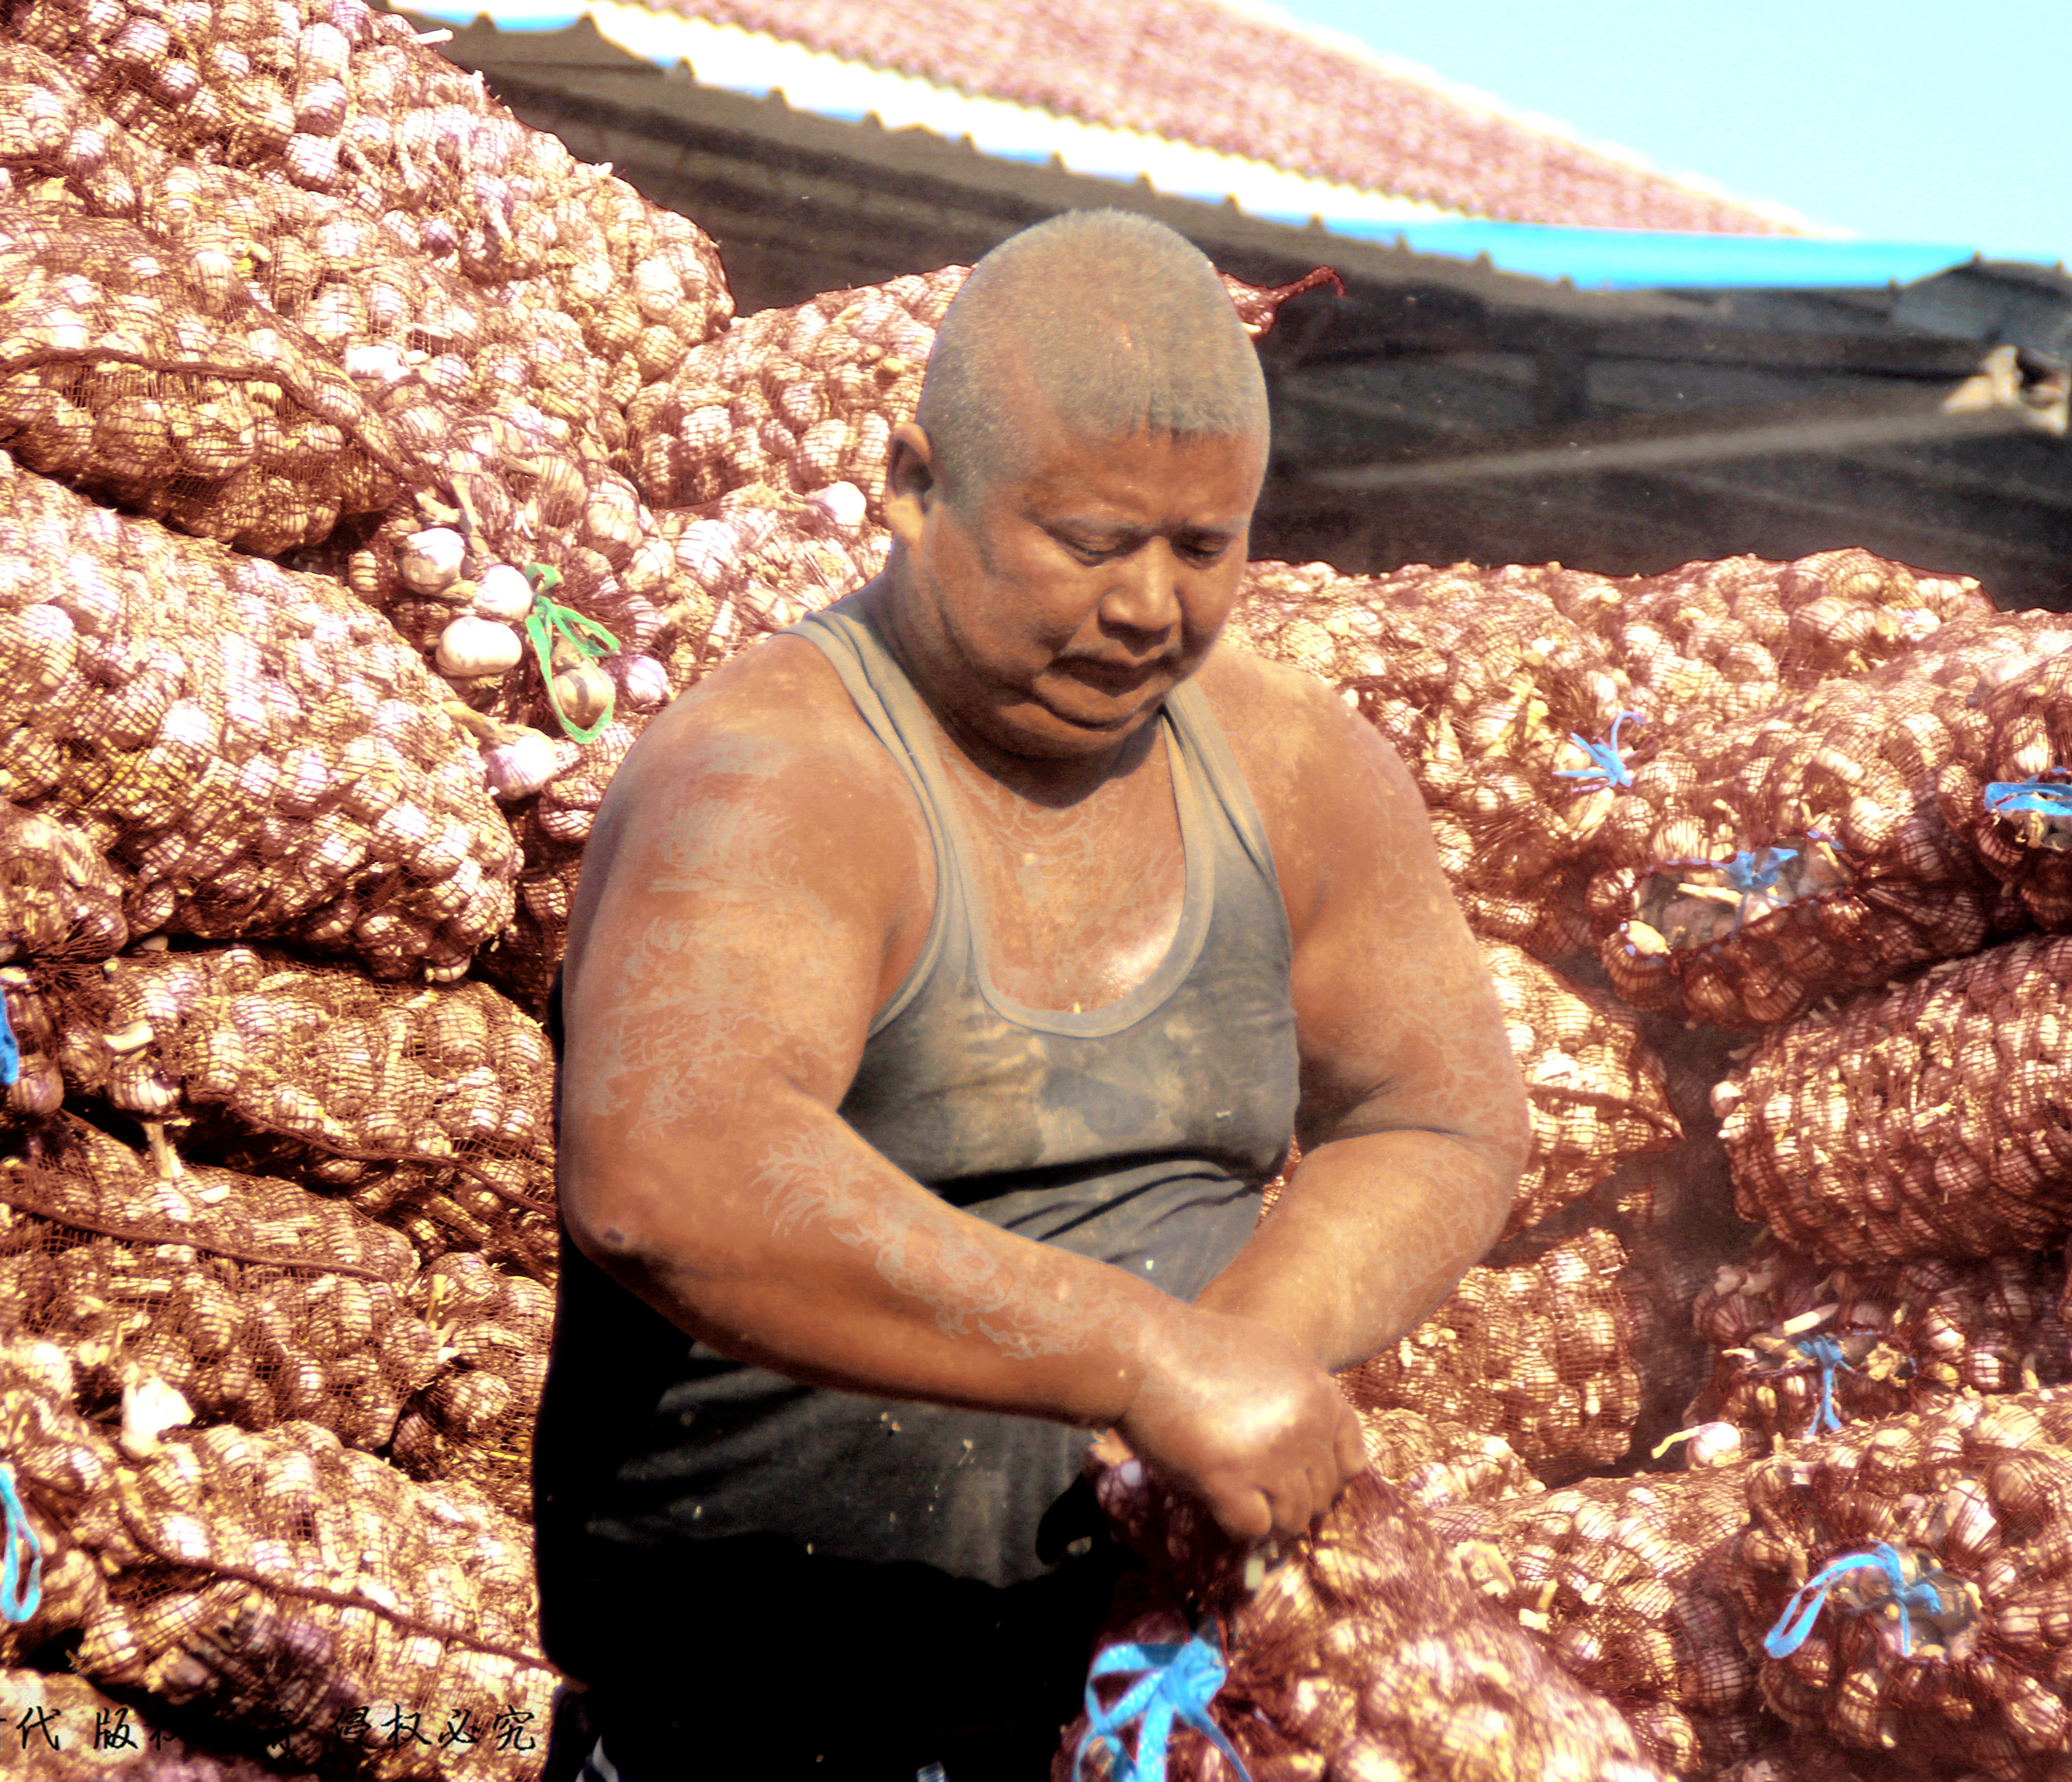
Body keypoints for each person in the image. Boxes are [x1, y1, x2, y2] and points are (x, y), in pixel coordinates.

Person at [532, 209, 1530, 1781]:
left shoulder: (1294, 767)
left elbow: (1437, 1115)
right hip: (757, 1730)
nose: (1149, 608)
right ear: (918, 487)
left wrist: (1248, 1350)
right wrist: (1144, 1362)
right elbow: (676, 1176)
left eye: (1204, 549)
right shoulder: (781, 770)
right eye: (1089, 540)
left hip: (1139, 1718)